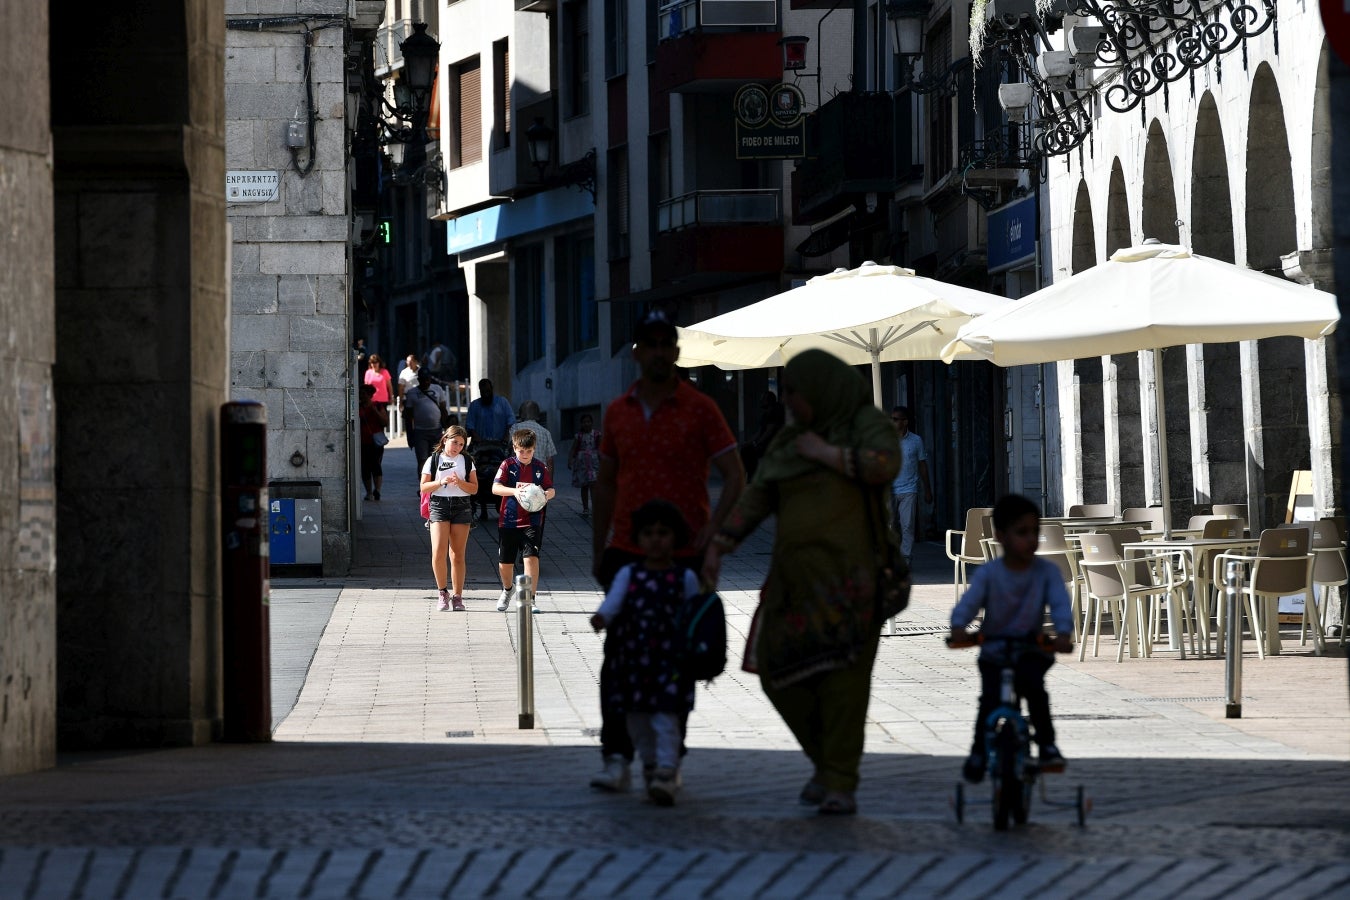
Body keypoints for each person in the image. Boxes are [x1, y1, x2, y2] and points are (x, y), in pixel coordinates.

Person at [701, 348, 901, 816]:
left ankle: (839, 782)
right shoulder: (790, 438)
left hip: (854, 586)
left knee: (845, 687)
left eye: (794, 392)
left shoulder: (864, 422)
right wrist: (718, 545)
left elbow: (885, 464)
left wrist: (829, 454)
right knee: (774, 670)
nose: (787, 401)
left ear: (820, 389)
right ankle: (826, 764)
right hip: (793, 585)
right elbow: (757, 497)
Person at [590, 309, 745, 793]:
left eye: (666, 343)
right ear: (637, 352)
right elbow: (607, 484)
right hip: (627, 551)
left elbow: (737, 476)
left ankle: (668, 761)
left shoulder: (701, 408)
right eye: (649, 343)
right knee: (619, 657)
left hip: (685, 556)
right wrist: (600, 548)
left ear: (676, 352)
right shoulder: (617, 412)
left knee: (678, 661)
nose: (658, 351)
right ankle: (616, 757)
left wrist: (715, 536)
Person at [950, 493, 1074, 784]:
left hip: (1031, 648)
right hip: (994, 649)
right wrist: (958, 627)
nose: (1031, 539)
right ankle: (979, 752)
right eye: (1022, 532)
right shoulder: (990, 574)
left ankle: (1047, 745)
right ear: (1001, 537)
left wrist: (1063, 633)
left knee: (1036, 693)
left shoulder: (1046, 573)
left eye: (1035, 532)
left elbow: (1059, 604)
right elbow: (970, 602)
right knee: (989, 702)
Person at [589, 499, 702, 806]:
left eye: (663, 533)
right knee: (637, 719)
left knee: (666, 716)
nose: (655, 539)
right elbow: (614, 602)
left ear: (676, 538)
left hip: (670, 663)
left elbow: (694, 615)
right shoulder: (629, 574)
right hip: (634, 662)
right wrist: (602, 617)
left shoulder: (685, 578)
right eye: (649, 533)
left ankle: (667, 769)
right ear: (638, 538)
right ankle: (651, 764)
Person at [491, 428, 555, 613]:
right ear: (514, 448)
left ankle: (530, 599)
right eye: (521, 451)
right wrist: (515, 491)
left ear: (534, 449)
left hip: (532, 519)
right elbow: (496, 488)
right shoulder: (507, 465)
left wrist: (546, 494)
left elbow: (551, 489)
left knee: (531, 558)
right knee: (505, 563)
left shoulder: (540, 467)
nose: (525, 455)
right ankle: (508, 589)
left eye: (529, 451)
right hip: (509, 520)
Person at [420, 425, 478, 612]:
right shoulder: (434, 459)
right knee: (438, 551)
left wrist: (460, 482)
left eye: (461, 444)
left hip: (462, 506)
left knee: (458, 554)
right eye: (454, 442)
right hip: (439, 505)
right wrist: (441, 482)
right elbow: (423, 487)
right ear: (445, 439)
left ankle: (458, 596)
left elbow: (474, 488)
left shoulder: (467, 460)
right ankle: (442, 592)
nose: (457, 447)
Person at [890, 405, 933, 561]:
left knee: (907, 525)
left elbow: (922, 465)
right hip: (889, 490)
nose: (892, 422)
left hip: (909, 489)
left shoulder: (916, 441)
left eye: (895, 419)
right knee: (890, 525)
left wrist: (928, 489)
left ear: (905, 422)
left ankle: (905, 557)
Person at [404, 369, 450, 480]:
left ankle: (435, 484)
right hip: (420, 432)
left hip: (437, 431)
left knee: (436, 459)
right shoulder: (411, 393)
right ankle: (423, 486)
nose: (426, 382)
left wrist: (447, 430)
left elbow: (443, 410)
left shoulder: (437, 389)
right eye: (423, 380)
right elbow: (408, 417)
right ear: (418, 380)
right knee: (422, 460)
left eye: (428, 380)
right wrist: (410, 436)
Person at [741, 390, 785, 479]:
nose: (761, 401)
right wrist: (749, 442)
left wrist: (757, 443)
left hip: (772, 443)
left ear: (769, 401)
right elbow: (760, 431)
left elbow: (769, 431)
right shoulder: (766, 415)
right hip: (765, 442)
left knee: (749, 451)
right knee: (746, 449)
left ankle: (751, 476)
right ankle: (749, 474)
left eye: (763, 399)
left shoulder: (775, 412)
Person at [358, 384, 388, 501]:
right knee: (365, 467)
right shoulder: (357, 407)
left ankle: (377, 490)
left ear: (370, 395)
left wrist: (373, 410)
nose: (361, 396)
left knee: (376, 465)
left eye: (364, 394)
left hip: (376, 442)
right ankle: (369, 492)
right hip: (362, 441)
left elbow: (384, 422)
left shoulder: (378, 406)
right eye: (360, 393)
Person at [513, 400, 558, 478]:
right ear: (537, 416)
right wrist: (549, 484)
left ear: (521, 415)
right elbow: (550, 461)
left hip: (521, 477)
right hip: (540, 477)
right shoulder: (545, 432)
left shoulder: (516, 428)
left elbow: (511, 453)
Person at [569, 412, 601, 516]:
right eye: (584, 422)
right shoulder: (578, 436)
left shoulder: (597, 434)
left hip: (594, 464)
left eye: (588, 421)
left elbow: (601, 448)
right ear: (581, 424)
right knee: (584, 486)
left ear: (592, 423)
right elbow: (573, 449)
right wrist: (570, 460)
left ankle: (595, 507)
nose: (586, 424)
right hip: (582, 464)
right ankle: (585, 508)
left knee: (594, 485)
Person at [466, 378, 515, 444]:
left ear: (492, 389)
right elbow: (469, 424)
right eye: (483, 392)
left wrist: (506, 436)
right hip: (480, 445)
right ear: (480, 391)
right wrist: (476, 436)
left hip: (501, 443)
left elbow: (511, 421)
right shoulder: (474, 405)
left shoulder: (503, 402)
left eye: (488, 391)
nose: (486, 394)